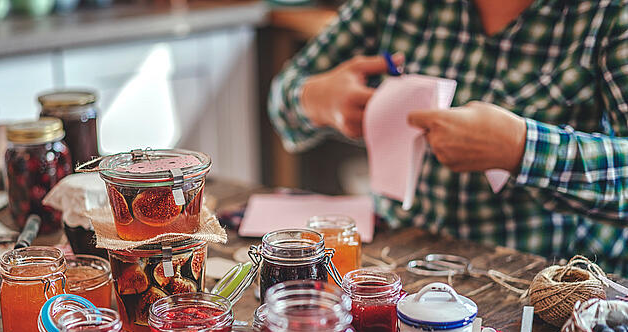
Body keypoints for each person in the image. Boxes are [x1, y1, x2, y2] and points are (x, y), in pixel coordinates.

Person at [269, 0, 628, 275]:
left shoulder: (608, 14)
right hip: (398, 263)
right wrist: (314, 99)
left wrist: (521, 148)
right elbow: (282, 97)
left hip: (546, 278)